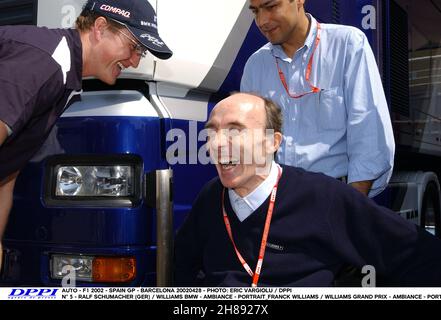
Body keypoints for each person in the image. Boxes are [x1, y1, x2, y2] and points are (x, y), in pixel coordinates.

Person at [174, 92, 441, 287]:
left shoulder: (323, 197)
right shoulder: (210, 198)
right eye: (211, 133)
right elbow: (180, 271)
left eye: (234, 131)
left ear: (272, 142)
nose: (217, 144)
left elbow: (416, 254)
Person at [0, 0, 172, 271]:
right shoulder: (46, 61)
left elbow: (6, 174)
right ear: (100, 28)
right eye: (134, 46)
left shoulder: (64, 80)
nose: (135, 60)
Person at [240, 0, 395, 197]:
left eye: (271, 7)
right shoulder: (255, 65)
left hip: (335, 197)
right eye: (255, 11)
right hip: (277, 201)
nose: (262, 21)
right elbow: (251, 145)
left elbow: (368, 131)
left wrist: (350, 207)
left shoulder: (347, 44)